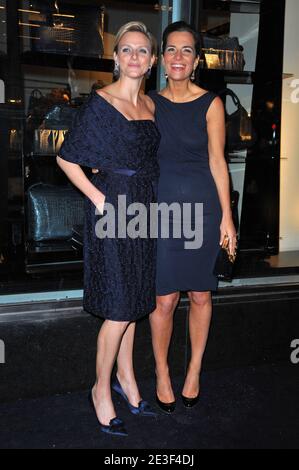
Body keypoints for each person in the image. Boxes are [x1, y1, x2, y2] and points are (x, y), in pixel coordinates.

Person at [57, 22, 160, 436]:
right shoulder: (101, 102)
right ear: (116, 58)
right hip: (112, 209)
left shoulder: (150, 107)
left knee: (134, 301)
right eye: (127, 50)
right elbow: (67, 158)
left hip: (145, 208)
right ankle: (100, 389)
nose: (134, 57)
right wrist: (99, 199)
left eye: (142, 51)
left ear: (151, 62)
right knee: (118, 307)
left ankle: (128, 381)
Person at [148, 22, 237, 413]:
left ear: (197, 60)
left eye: (187, 50)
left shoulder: (211, 103)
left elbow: (219, 163)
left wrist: (228, 219)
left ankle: (195, 369)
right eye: (172, 49)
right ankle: (162, 372)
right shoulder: (149, 103)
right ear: (162, 58)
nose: (179, 57)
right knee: (163, 299)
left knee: (201, 294)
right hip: (160, 213)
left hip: (204, 211)